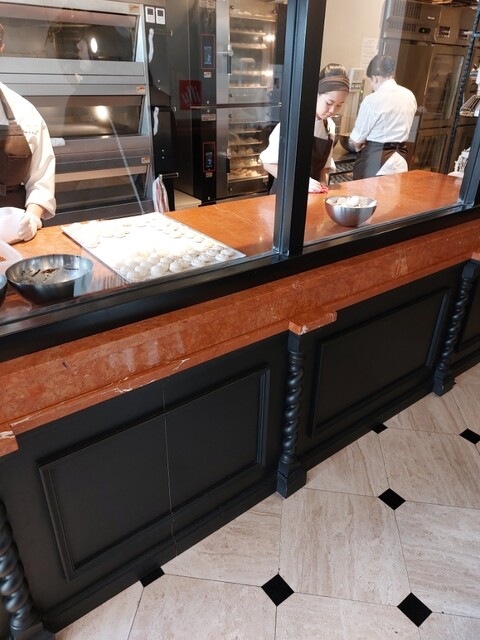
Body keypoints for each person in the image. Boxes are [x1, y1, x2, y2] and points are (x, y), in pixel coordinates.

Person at [0, 23, 56, 241]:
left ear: (1, 47)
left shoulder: (24, 111)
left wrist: (32, 217)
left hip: (12, 237)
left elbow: (41, 180)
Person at [260, 63, 350, 192]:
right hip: (286, 194)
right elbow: (268, 163)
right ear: (316, 94)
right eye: (329, 103)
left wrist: (322, 184)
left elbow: (325, 167)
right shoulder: (294, 122)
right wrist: (300, 182)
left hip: (313, 195)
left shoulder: (329, 126)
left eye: (339, 105)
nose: (332, 110)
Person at [348, 54, 417, 180]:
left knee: (366, 193)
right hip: (401, 160)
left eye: (370, 81)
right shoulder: (409, 95)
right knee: (395, 193)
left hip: (375, 162)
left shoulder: (372, 100)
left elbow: (357, 140)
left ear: (374, 78)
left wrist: (358, 148)